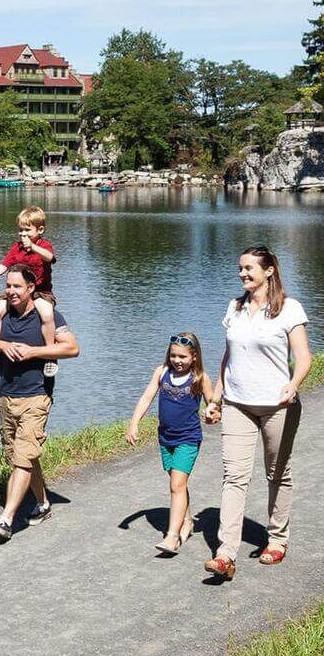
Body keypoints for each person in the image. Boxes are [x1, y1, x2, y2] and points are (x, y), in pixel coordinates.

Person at [203, 245, 312, 580]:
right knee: (234, 476)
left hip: (277, 405)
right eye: (240, 268)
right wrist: (216, 399)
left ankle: (277, 539)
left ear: (269, 271)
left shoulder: (289, 309)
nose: (242, 273)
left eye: (249, 268)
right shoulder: (235, 308)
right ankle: (225, 554)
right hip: (238, 403)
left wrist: (294, 383)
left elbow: (304, 356)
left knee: (277, 473)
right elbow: (228, 357)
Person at [0, 263, 80, 540]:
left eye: (17, 286)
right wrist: (2, 346)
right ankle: (43, 504)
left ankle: (6, 519)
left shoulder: (48, 315)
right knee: (20, 457)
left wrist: (34, 352)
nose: (10, 291)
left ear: (31, 288)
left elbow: (72, 347)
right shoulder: (2, 313)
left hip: (36, 396)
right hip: (7, 395)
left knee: (23, 457)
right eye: (8, 286)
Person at [125, 332, 213, 554]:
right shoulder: (162, 372)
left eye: (182, 356)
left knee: (176, 485)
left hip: (188, 438)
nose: (177, 360)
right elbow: (146, 398)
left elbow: (213, 403)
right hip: (165, 438)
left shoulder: (200, 377)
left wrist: (212, 412)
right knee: (178, 484)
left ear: (194, 356)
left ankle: (172, 537)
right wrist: (134, 423)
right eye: (173, 355)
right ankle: (187, 521)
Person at [0, 206, 58, 377]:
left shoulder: (44, 245)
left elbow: (50, 258)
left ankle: (50, 355)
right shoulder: (16, 248)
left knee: (46, 314)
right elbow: (4, 265)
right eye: (21, 230)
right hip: (17, 291)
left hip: (40, 291)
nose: (23, 234)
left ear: (40, 230)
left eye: (27, 230)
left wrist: (33, 247)